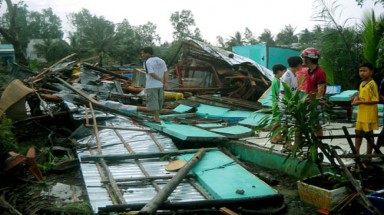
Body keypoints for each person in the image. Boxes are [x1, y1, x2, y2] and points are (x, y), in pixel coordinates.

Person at [352, 63, 379, 156]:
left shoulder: (372, 84)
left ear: (371, 72)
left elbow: (376, 100)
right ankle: (356, 152)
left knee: (369, 134)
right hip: (361, 113)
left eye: (364, 70)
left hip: (369, 113)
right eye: (360, 71)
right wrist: (356, 98)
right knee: (358, 131)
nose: (362, 73)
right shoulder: (362, 83)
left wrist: (360, 102)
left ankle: (369, 155)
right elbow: (360, 95)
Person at [301, 47, 327, 137]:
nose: (302, 59)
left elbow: (321, 90)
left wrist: (315, 102)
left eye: (303, 57)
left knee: (317, 125)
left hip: (315, 103)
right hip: (309, 101)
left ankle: (318, 145)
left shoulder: (319, 73)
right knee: (311, 125)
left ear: (308, 59)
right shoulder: (309, 71)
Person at [141, 47, 168, 123]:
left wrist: (160, 79)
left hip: (151, 85)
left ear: (147, 53)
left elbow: (151, 73)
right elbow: (166, 72)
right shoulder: (161, 60)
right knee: (159, 102)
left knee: (153, 102)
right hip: (160, 85)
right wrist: (165, 82)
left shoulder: (147, 62)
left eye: (143, 53)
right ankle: (156, 117)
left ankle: (157, 118)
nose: (142, 55)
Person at [271, 64, 287, 144]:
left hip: (276, 103)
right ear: (279, 71)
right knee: (277, 121)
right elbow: (278, 93)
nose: (284, 73)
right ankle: (274, 138)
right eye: (284, 71)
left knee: (278, 121)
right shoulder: (277, 81)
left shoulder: (275, 80)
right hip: (277, 103)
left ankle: (278, 137)